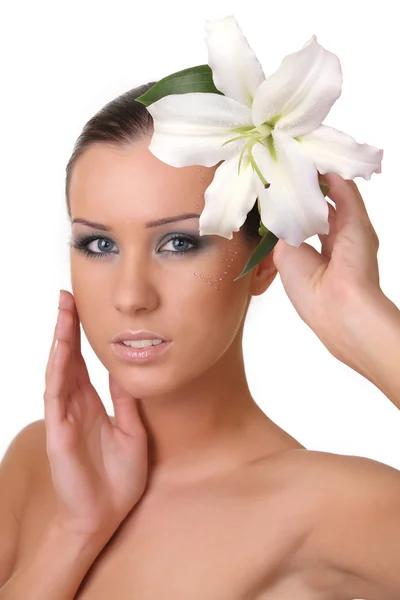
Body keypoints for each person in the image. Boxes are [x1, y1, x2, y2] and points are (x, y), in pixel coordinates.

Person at [0, 79, 399, 600]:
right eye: (98, 243)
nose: (131, 296)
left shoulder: (337, 509)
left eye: (179, 243)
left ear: (263, 265)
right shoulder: (44, 460)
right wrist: (73, 535)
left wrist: (363, 322)